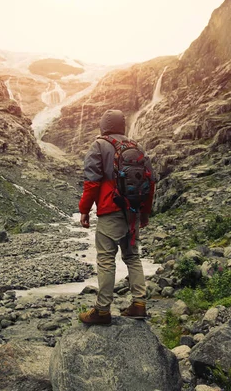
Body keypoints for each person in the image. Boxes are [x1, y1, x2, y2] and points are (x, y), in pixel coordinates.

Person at [78, 109, 156, 325]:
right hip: (132, 211)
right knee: (132, 257)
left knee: (105, 259)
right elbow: (150, 183)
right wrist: (144, 212)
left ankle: (102, 310)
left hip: (109, 210)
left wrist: (84, 209)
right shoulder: (137, 148)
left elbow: (92, 182)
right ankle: (139, 304)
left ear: (103, 125)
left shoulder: (100, 145)